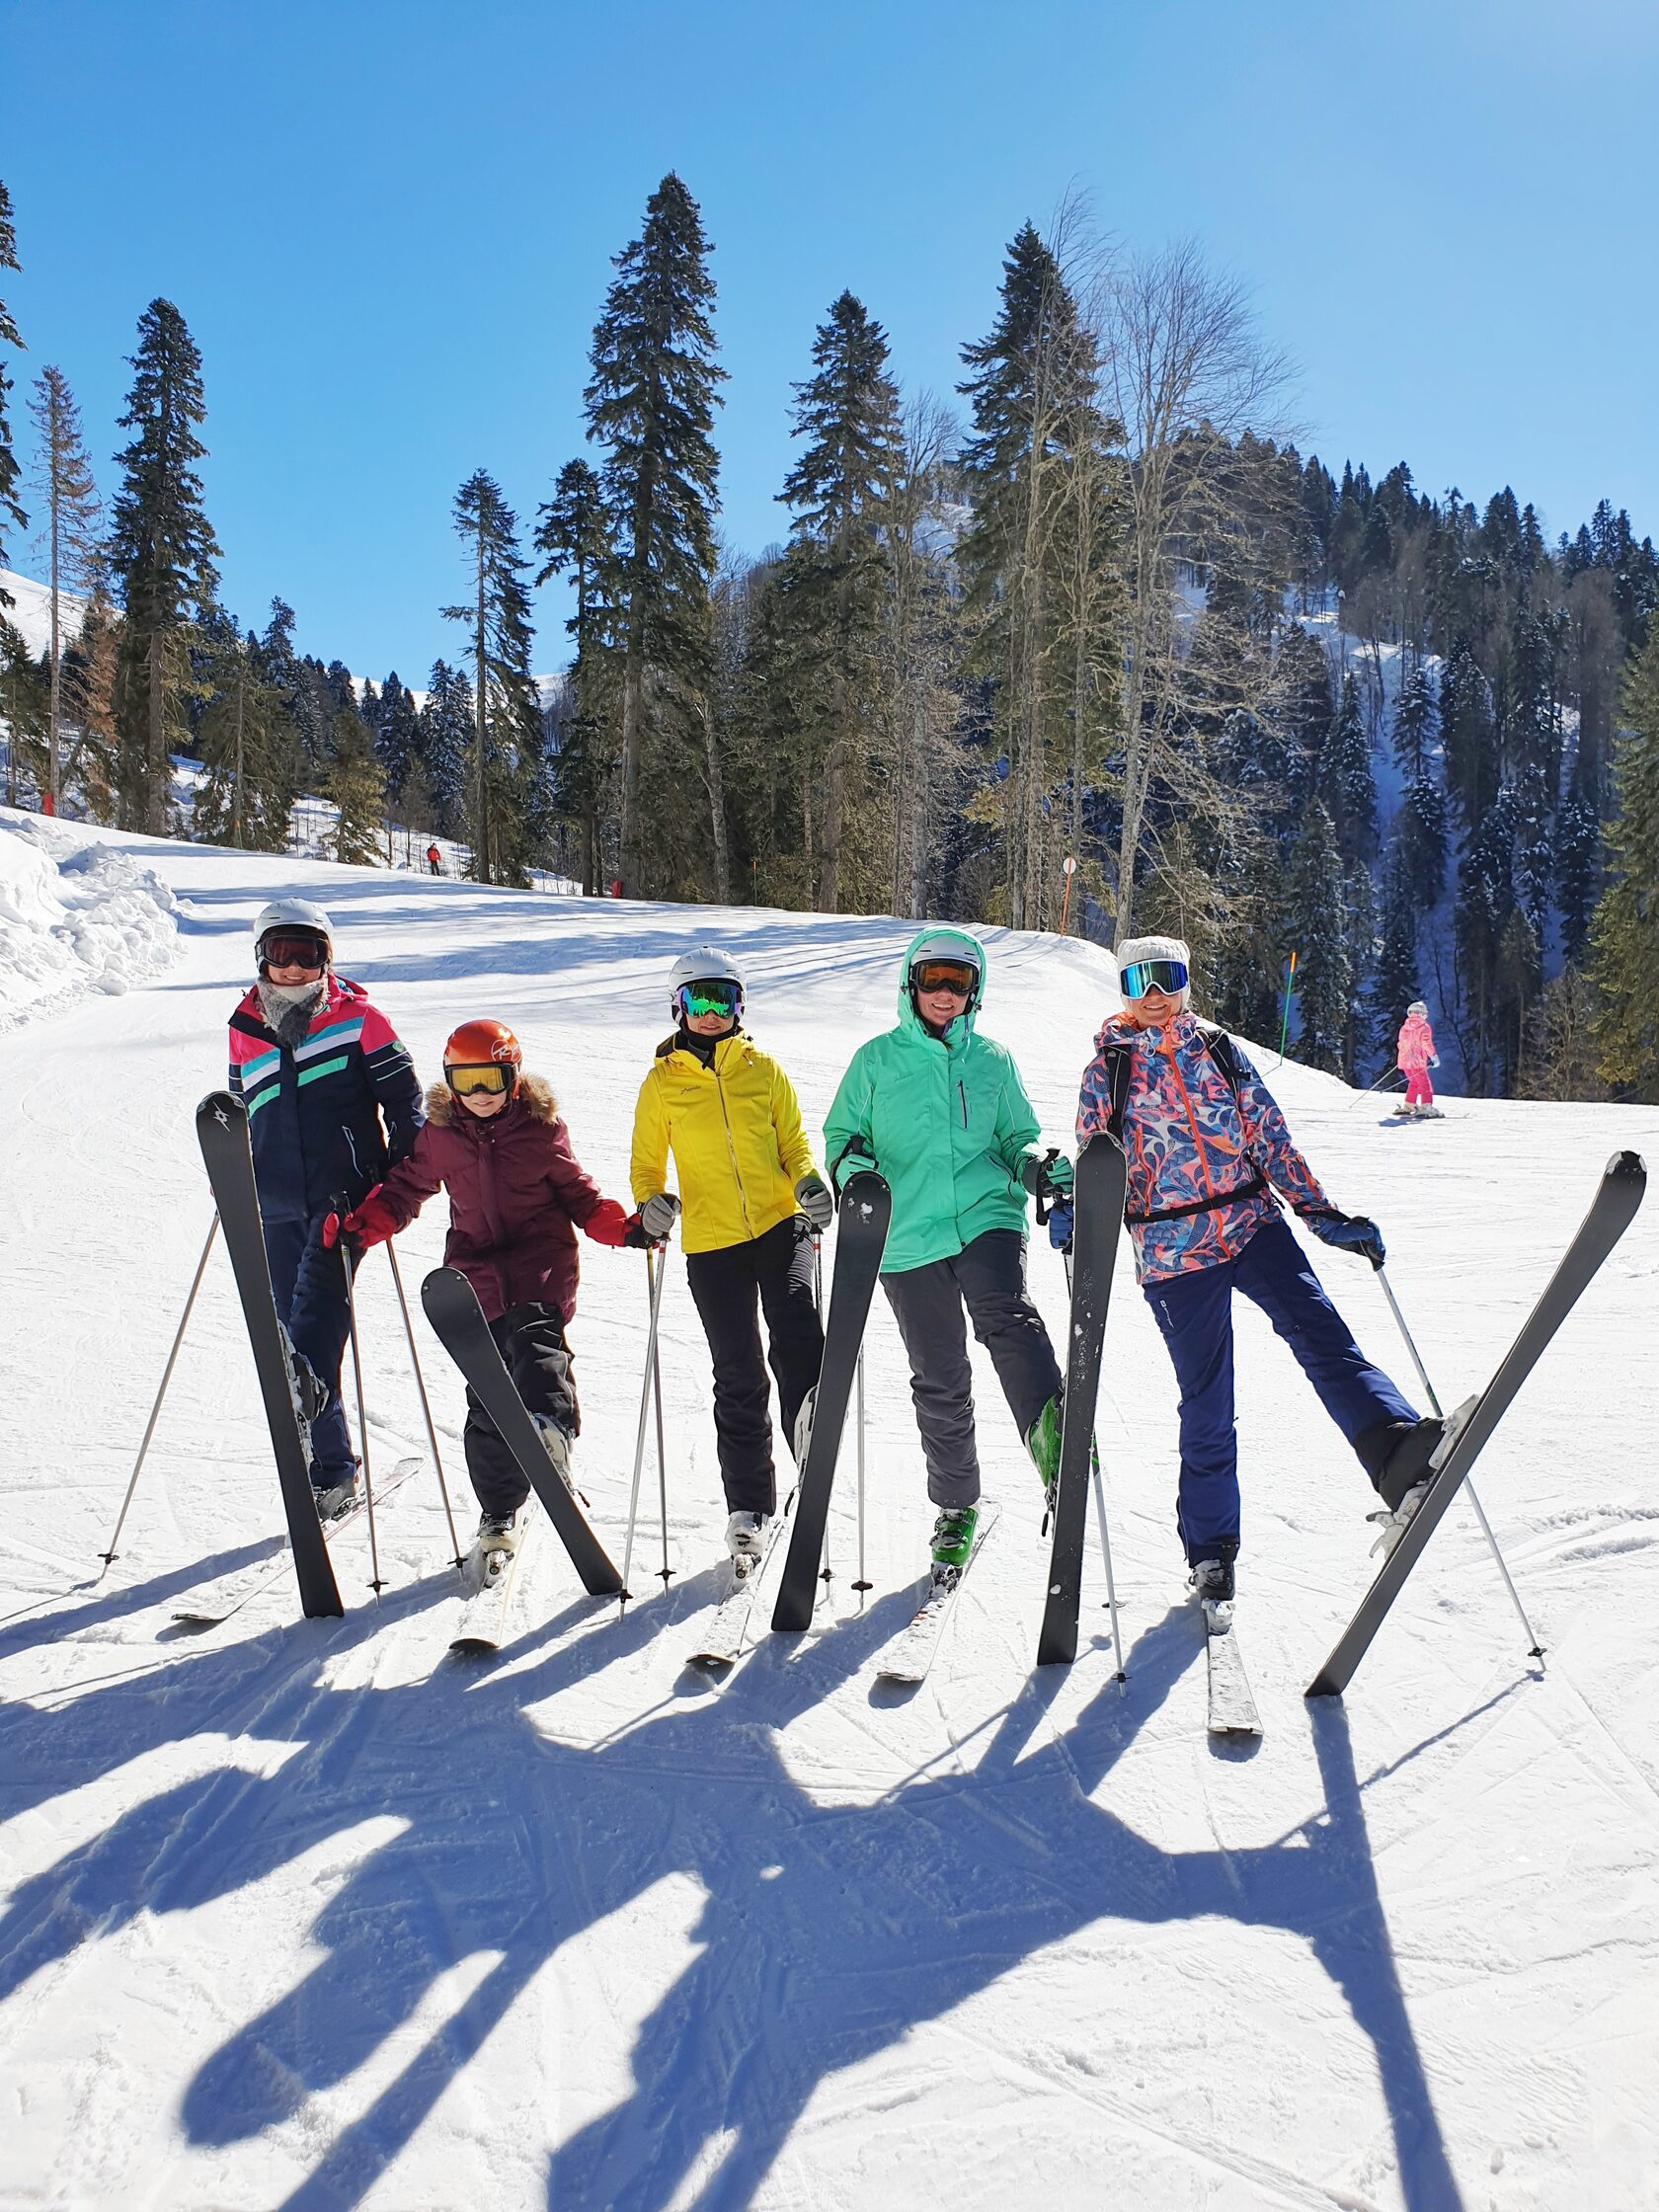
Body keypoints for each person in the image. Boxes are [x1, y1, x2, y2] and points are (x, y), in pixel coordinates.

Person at [1074, 933, 1444, 1603]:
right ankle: (1211, 1548)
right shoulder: (1109, 1071)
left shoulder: (1217, 1050)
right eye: (1139, 983)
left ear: (1186, 982)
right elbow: (1096, 1160)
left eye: (1167, 979)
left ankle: (1395, 1453)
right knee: (1210, 1401)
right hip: (1173, 1248)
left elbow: (1269, 1136)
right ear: (1123, 994)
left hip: (1252, 1223)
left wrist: (1320, 1212)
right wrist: (1084, 1214)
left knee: (1324, 1336)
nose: (1155, 996)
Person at [327, 1019, 636, 1560]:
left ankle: (549, 1436)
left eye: (492, 1080)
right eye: (466, 1082)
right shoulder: (441, 1135)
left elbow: (582, 1198)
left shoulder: (541, 1131)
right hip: (474, 1276)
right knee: (487, 1393)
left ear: (513, 1078)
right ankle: (499, 1510)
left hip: (540, 1265)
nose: (480, 1095)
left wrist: (624, 1228)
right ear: (450, 1081)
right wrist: (363, 1227)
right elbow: (404, 1190)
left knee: (539, 1351)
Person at [823, 928, 1069, 1593]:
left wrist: (1037, 1170)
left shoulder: (993, 1060)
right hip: (904, 1235)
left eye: (957, 982)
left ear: (974, 991)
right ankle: (956, 1507)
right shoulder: (875, 1060)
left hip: (986, 1215)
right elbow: (841, 1136)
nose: (943, 993)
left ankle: (1059, 1447)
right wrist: (854, 1171)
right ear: (911, 983)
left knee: (1007, 1317)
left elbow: (1018, 1139)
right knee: (939, 1374)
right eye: (932, 979)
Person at [629, 947, 829, 1570]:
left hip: (779, 1223)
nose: (712, 1013)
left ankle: (810, 1426)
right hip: (712, 1243)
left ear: (740, 1006)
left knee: (797, 1326)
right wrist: (652, 1205)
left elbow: (794, 1143)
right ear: (678, 1007)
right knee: (738, 1374)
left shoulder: (764, 1069)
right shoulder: (661, 1083)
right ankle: (749, 1509)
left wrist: (808, 1182)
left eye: (724, 1000)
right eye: (699, 1000)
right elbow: (645, 1167)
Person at [226, 899, 423, 1514]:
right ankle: (324, 1458)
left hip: (346, 1207)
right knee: (288, 1336)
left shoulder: (360, 1019)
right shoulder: (243, 1028)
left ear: (325, 958)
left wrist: (394, 1187)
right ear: (261, 957)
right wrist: (233, 1177)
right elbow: (243, 1112)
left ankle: (332, 1469)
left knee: (314, 1329)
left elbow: (408, 1108)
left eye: (305, 953)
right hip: (274, 1205)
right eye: (278, 953)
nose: (290, 967)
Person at [1395, 999, 1441, 1117]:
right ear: (1422, 1014)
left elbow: (1400, 1043)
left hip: (1404, 1061)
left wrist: (1404, 1055)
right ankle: (1426, 1106)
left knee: (1414, 1082)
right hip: (1417, 1061)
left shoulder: (1405, 1027)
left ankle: (1409, 1105)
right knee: (1425, 1084)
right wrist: (1433, 1056)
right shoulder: (1424, 1027)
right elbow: (1426, 1043)